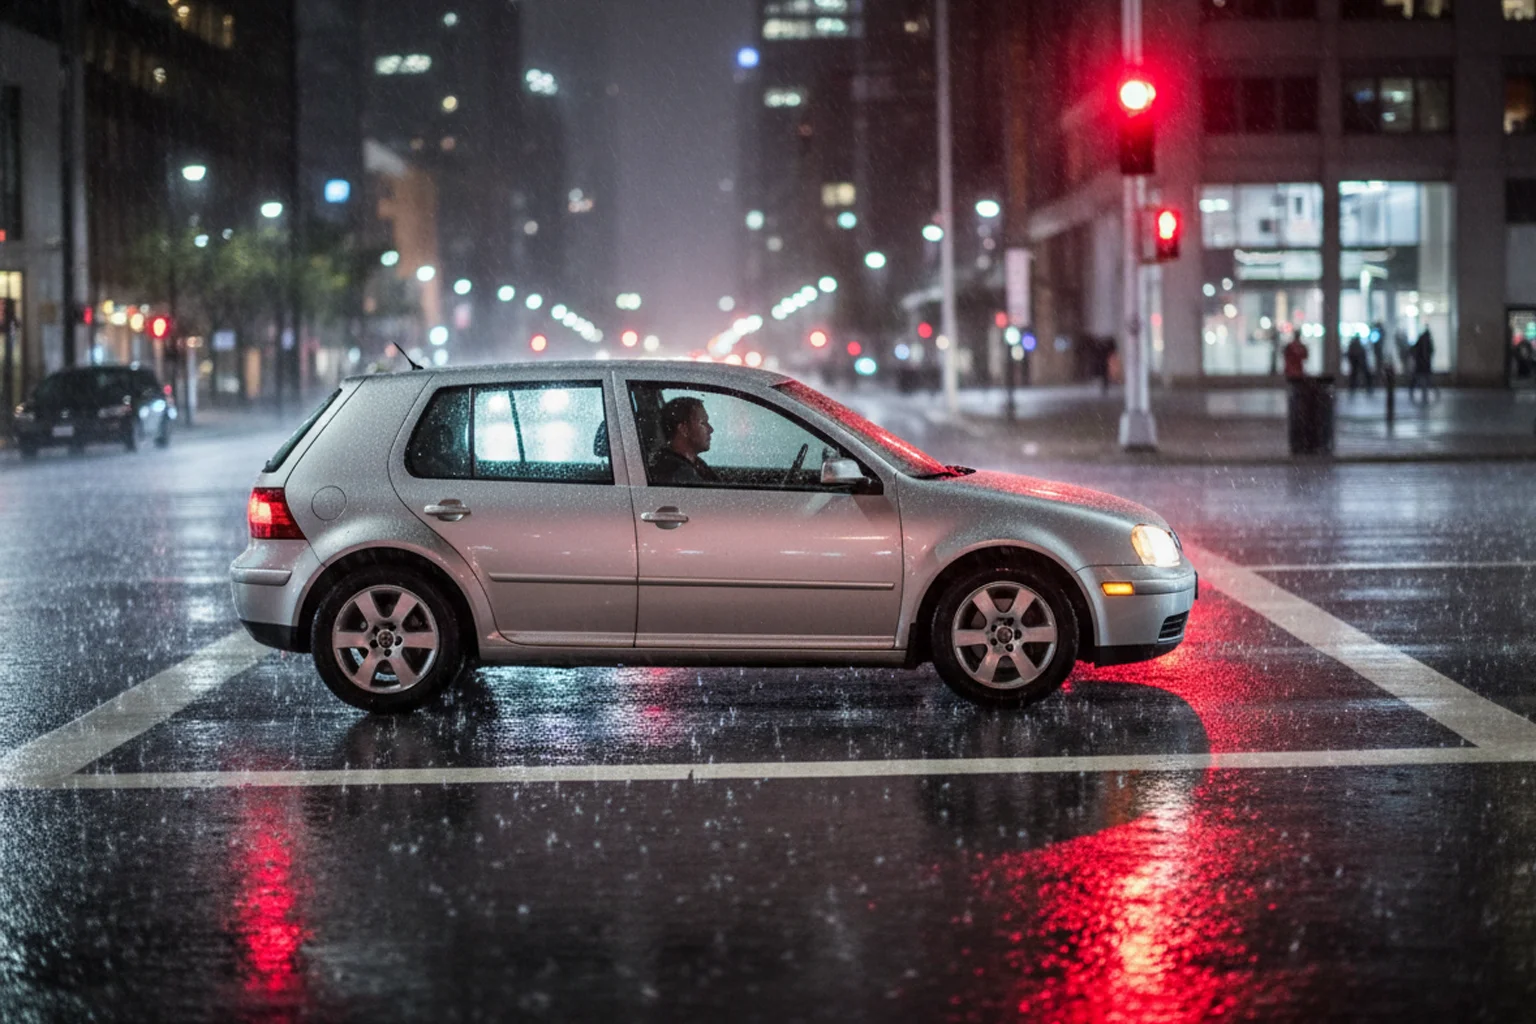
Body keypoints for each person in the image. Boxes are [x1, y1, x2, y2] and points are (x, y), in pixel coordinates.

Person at [648, 396, 720, 485]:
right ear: (684, 429)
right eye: (703, 423)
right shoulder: (677, 473)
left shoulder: (694, 464)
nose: (710, 429)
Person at [1410, 326, 1436, 402]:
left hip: (1422, 364)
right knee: (1421, 378)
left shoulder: (1423, 341)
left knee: (1422, 378)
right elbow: (1430, 351)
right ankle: (1422, 391)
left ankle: (1423, 391)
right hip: (1422, 364)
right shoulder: (1425, 341)